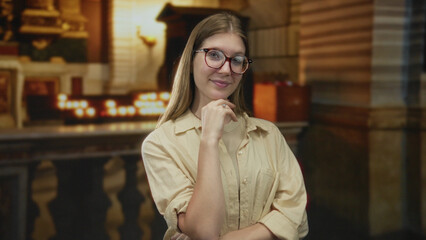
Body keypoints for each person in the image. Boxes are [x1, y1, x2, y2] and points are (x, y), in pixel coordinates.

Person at [141, 12, 308, 240]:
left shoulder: (269, 135)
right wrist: (209, 140)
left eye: (237, 60)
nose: (226, 69)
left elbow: (295, 218)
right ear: (190, 62)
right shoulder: (160, 143)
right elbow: (203, 231)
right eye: (214, 55)